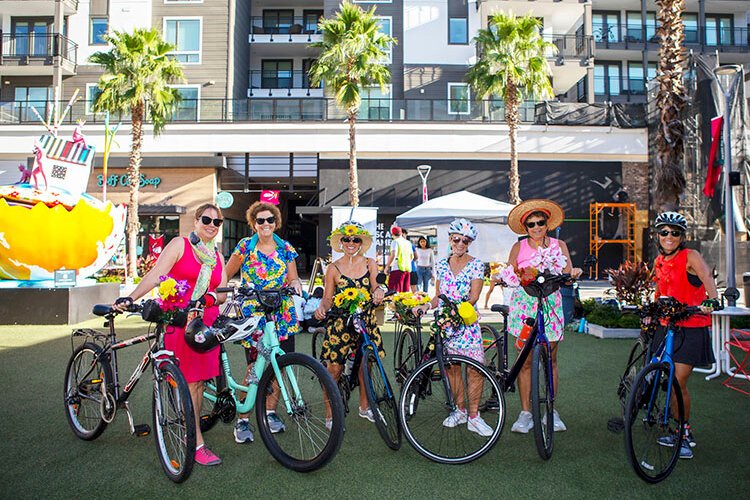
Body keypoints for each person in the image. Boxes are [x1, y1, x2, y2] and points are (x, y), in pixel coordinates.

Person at [113, 203, 227, 466]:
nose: (211, 225)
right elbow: (156, 275)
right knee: (190, 382)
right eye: (207, 219)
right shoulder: (180, 245)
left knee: (198, 383)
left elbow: (221, 293)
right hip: (178, 321)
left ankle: (191, 431)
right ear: (196, 221)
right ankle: (196, 442)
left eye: (217, 222)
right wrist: (130, 298)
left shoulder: (217, 258)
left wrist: (211, 298)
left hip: (204, 327)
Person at [224, 201, 302, 444]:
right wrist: (221, 291)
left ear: (276, 223)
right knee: (254, 368)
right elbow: (226, 273)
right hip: (254, 313)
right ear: (253, 223)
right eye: (261, 220)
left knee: (280, 365)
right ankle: (243, 419)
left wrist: (296, 285)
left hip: (282, 314)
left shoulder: (285, 248)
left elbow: (293, 278)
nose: (266, 224)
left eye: (270, 220)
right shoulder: (245, 246)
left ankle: (269, 413)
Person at [505, 199, 582, 435]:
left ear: (547, 224)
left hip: (550, 302)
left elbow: (568, 270)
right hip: (524, 304)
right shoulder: (519, 247)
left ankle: (551, 409)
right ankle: (526, 412)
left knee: (551, 358)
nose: (536, 227)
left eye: (540, 222)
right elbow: (510, 271)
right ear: (525, 227)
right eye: (531, 224)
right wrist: (508, 276)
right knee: (525, 360)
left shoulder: (559, 245)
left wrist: (574, 272)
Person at [413, 218, 493, 436]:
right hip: (446, 326)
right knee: (452, 369)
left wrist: (457, 312)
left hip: (466, 324)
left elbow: (474, 296)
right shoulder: (440, 264)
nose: (460, 243)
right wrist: (427, 305)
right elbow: (438, 296)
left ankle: (474, 417)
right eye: (456, 239)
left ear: (469, 243)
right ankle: (460, 410)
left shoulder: (476, 264)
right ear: (450, 239)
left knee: (475, 369)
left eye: (465, 241)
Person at [651, 211, 718, 460]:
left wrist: (711, 300)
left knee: (678, 382)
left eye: (675, 232)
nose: (669, 237)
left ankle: (684, 432)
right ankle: (664, 418)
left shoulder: (691, 256)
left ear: (682, 236)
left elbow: (707, 278)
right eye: (665, 232)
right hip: (666, 326)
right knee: (662, 377)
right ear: (658, 235)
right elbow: (661, 291)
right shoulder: (659, 260)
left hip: (691, 326)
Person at [314, 221, 385, 427]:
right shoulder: (333, 268)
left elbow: (375, 286)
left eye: (355, 239)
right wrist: (322, 308)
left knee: (367, 364)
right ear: (341, 242)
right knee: (334, 370)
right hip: (340, 322)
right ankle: (330, 414)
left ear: (361, 242)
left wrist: (379, 291)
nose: (351, 243)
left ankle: (365, 407)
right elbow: (328, 298)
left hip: (366, 320)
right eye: (346, 239)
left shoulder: (370, 263)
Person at [385, 226, 413, 293]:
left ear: (392, 234)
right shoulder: (408, 243)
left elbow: (393, 254)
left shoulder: (395, 242)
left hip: (397, 268)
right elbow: (412, 256)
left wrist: (387, 267)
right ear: (401, 233)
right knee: (404, 293)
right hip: (407, 269)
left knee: (394, 292)